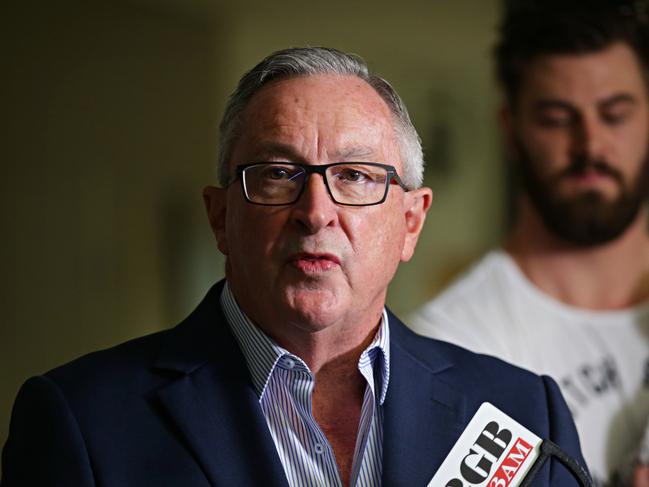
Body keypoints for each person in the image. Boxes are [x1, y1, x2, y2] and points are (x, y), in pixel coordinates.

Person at [2, 46, 587, 487]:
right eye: (279, 174)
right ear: (220, 217)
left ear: (411, 222)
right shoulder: (81, 420)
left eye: (355, 176)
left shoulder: (523, 414)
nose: (316, 213)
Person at [409, 2, 649, 486]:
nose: (591, 146)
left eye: (615, 114)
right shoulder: (448, 346)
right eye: (557, 118)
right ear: (512, 131)